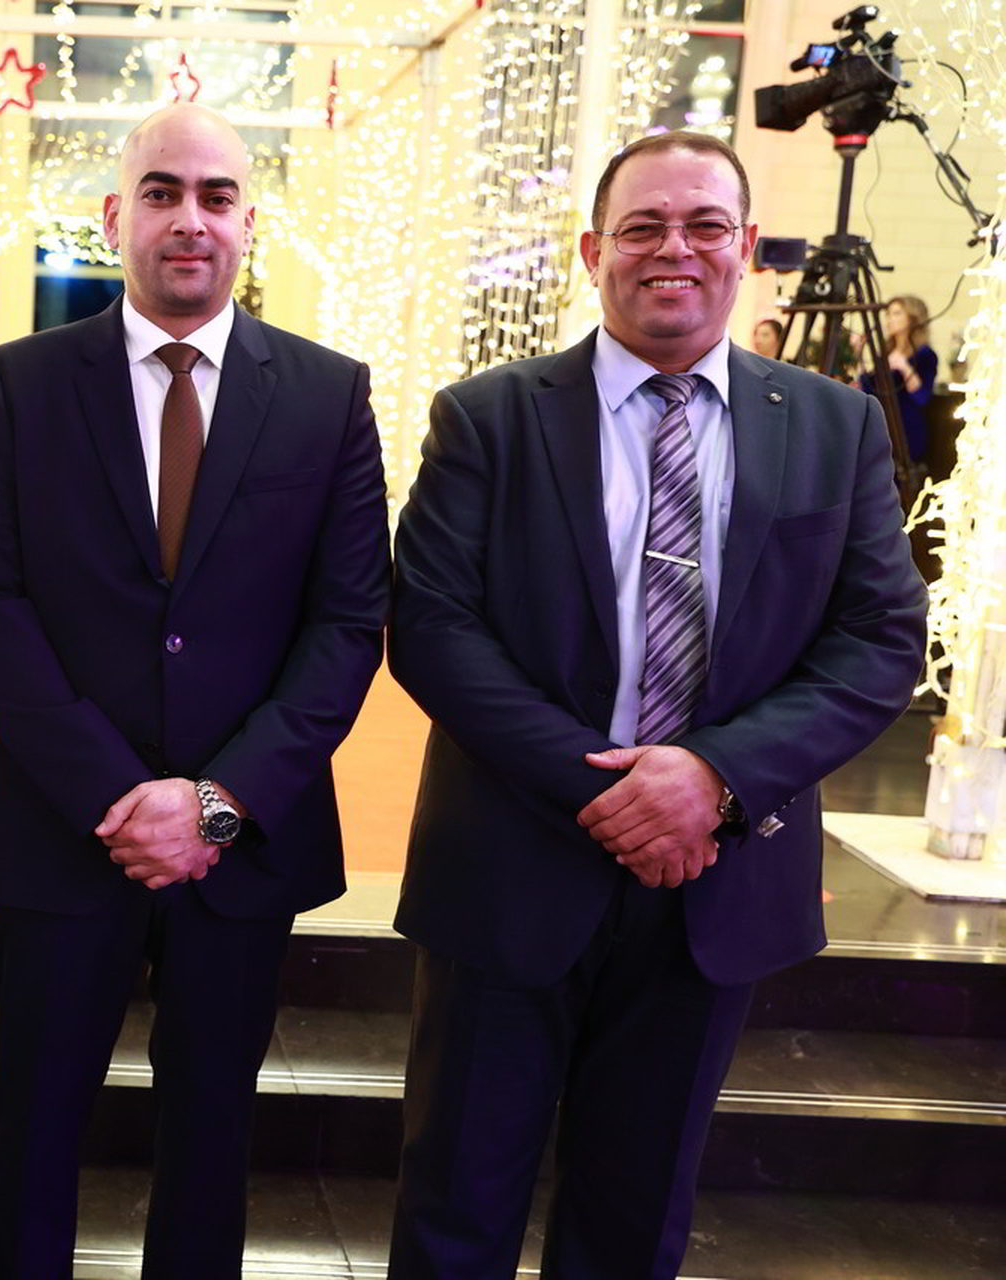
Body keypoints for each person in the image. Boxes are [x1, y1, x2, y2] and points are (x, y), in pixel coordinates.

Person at [388, 131, 927, 1279]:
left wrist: (713, 778)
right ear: (594, 252)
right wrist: (617, 790)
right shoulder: (488, 416)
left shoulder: (833, 426)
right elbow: (433, 627)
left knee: (633, 1225)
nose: (672, 248)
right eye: (641, 227)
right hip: (512, 864)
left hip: (717, 881)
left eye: (704, 225)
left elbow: (880, 638)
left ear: (746, 249)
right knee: (455, 1212)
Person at [0, 103, 389, 1278]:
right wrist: (117, 795)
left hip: (243, 846)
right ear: (114, 216)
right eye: (161, 192)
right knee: (32, 1131)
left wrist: (218, 803)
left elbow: (348, 622)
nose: (190, 218)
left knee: (211, 1136)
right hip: (62, 832)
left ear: (249, 219)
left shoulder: (330, 395)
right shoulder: (20, 384)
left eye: (216, 195)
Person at [860, 293, 938, 469]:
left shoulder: (925, 355)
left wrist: (904, 367)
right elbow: (871, 390)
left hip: (907, 431)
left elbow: (923, 397)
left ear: (912, 318)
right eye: (888, 314)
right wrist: (859, 354)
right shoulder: (886, 351)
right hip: (882, 428)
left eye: (896, 314)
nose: (889, 320)